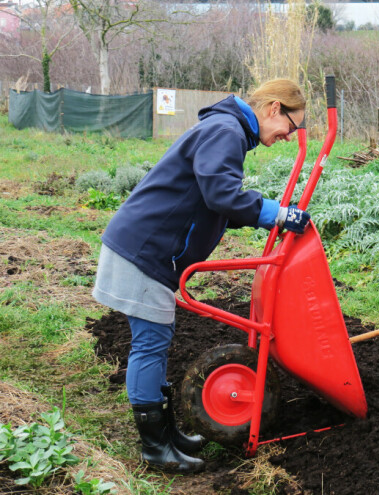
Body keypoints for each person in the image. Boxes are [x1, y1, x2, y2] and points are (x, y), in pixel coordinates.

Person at [92, 79, 312, 473]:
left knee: (155, 339)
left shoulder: (226, 130)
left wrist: (266, 215)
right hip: (144, 251)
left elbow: (211, 202)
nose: (285, 136)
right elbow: (222, 196)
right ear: (274, 108)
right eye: (290, 128)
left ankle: (168, 434)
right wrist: (277, 213)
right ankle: (155, 448)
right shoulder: (225, 131)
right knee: (151, 343)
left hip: (149, 248)